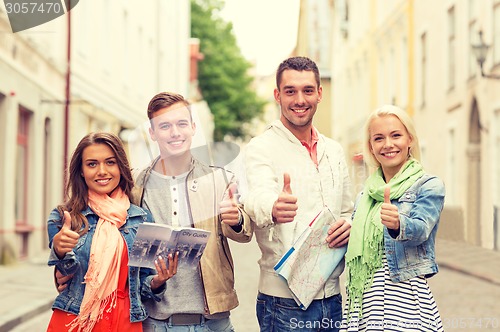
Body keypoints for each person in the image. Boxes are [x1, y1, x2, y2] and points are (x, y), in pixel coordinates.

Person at [243, 56, 353, 332]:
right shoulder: (260, 147)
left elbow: (347, 209)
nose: (299, 99)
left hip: (332, 297)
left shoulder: (335, 150)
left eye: (307, 90)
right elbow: (255, 198)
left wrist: (349, 225)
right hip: (283, 303)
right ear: (277, 95)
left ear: (319, 93)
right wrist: (273, 207)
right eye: (290, 91)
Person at [131, 92, 253, 331]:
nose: (175, 132)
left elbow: (244, 233)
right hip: (156, 322)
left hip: (213, 322)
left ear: (193, 127)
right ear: (152, 133)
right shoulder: (135, 184)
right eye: (164, 126)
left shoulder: (219, 179)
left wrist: (236, 219)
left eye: (181, 124)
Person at [47, 132, 177, 332]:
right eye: (91, 164)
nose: (102, 171)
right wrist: (59, 249)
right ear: (81, 171)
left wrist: (159, 280)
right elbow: (65, 274)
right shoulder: (63, 217)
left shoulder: (142, 219)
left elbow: (143, 282)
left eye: (110, 162)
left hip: (125, 319)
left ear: (121, 167)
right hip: (76, 317)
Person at [340, 105, 445, 331]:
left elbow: (421, 229)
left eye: (396, 135)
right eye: (379, 138)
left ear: (410, 140)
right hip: (366, 305)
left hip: (407, 304)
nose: (387, 144)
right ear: (371, 146)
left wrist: (399, 224)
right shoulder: (365, 196)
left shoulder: (428, 186)